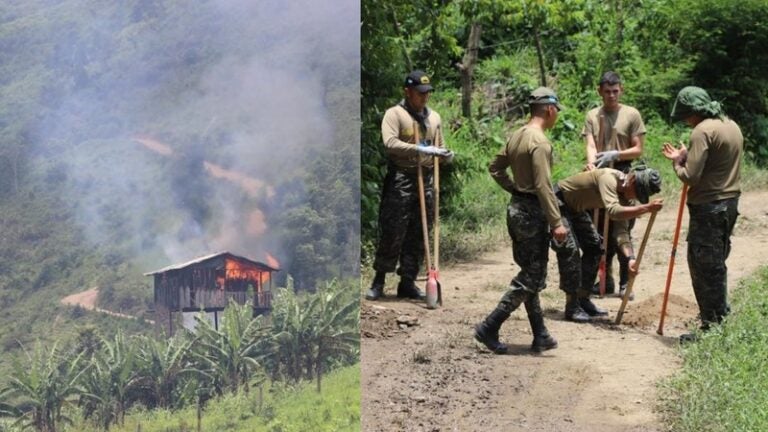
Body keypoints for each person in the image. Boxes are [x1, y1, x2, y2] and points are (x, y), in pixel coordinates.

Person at [474, 87, 566, 354]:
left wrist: (513, 188)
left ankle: (540, 335)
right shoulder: (540, 142)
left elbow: (495, 167)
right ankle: (490, 325)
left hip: (516, 208)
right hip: (531, 214)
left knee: (531, 272)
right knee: (532, 275)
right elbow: (543, 185)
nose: (556, 116)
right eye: (556, 112)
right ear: (549, 110)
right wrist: (556, 222)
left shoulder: (517, 136)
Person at [662, 86, 743, 343]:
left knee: (703, 266)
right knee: (717, 262)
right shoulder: (730, 124)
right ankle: (720, 314)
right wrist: (689, 155)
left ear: (693, 112)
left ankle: (711, 326)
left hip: (708, 208)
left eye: (686, 115)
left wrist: (678, 162)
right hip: (730, 204)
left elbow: (691, 176)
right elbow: (714, 162)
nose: (686, 120)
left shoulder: (702, 131)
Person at [365, 70, 453, 301]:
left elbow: (440, 145)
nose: (424, 98)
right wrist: (418, 149)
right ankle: (379, 280)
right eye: (419, 93)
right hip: (402, 177)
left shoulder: (434, 118)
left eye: (427, 93)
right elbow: (390, 143)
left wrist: (444, 154)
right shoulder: (395, 115)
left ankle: (408, 281)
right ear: (408, 92)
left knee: (418, 232)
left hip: (426, 177)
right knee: (393, 229)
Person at [553, 167, 663, 322]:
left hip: (576, 209)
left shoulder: (627, 198)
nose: (636, 196)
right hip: (558, 203)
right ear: (631, 180)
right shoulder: (608, 178)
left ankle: (583, 298)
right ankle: (572, 306)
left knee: (595, 248)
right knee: (570, 251)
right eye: (637, 191)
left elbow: (621, 232)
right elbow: (613, 211)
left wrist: (630, 258)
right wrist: (646, 208)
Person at [583, 71, 647, 297]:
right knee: (599, 232)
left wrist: (616, 154)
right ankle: (604, 281)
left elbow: (638, 148)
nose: (611, 95)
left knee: (623, 229)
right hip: (599, 176)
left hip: (624, 177)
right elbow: (591, 145)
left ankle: (623, 282)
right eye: (607, 91)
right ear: (599, 91)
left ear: (621, 90)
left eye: (615, 91)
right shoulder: (592, 115)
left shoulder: (631, 114)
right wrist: (593, 164)